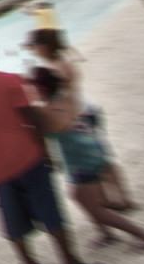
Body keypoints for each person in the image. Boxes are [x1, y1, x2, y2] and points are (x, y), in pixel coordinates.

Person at [0, 43, 103, 264]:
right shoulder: (9, 81)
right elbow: (30, 118)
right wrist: (45, 151)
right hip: (28, 158)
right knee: (51, 214)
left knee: (13, 221)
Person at [30, 67, 144, 251]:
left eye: (31, 87)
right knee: (78, 196)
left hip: (81, 161)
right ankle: (106, 233)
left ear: (41, 89)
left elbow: (30, 121)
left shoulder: (43, 113)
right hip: (93, 148)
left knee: (96, 209)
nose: (29, 92)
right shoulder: (66, 97)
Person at [25, 28, 135, 211]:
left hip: (81, 115)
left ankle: (117, 200)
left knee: (102, 162)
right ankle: (116, 199)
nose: (31, 49)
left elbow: (56, 96)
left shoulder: (55, 67)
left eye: (33, 46)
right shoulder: (60, 62)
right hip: (84, 110)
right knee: (102, 160)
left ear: (43, 46)